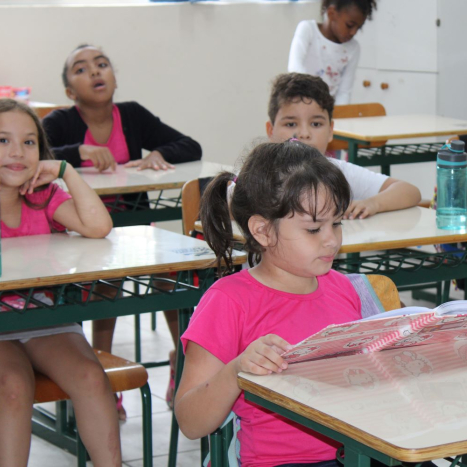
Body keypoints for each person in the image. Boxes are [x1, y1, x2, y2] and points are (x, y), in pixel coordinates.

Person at [174, 140, 362, 467]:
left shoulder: (342, 287)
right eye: (314, 229)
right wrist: (237, 370)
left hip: (357, 452)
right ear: (262, 230)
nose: (331, 240)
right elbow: (190, 422)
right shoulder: (228, 301)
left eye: (337, 223)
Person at [43, 44, 203, 413]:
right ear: (69, 91)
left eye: (102, 64)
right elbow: (36, 155)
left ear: (114, 78)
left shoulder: (131, 114)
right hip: (79, 234)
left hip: (134, 231)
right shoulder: (60, 121)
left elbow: (189, 145)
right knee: (106, 283)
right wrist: (78, 152)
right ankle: (102, 375)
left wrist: (160, 154)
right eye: (81, 69)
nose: (95, 72)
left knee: (171, 272)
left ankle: (184, 363)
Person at [0, 99, 120, 466]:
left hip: (42, 316)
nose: (17, 152)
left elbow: (98, 226)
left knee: (90, 376)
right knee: (13, 388)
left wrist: (67, 171)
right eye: (2, 140)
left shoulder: (43, 195)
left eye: (29, 142)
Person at [266, 72, 420, 219]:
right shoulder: (261, 174)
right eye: (291, 124)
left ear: (330, 131)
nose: (304, 133)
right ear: (270, 131)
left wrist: (373, 203)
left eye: (316, 124)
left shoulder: (339, 172)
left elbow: (409, 191)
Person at [288, 0, 377, 105]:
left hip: (328, 110)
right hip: (301, 103)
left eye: (359, 27)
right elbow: (295, 69)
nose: (354, 32)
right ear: (331, 13)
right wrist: (312, 105)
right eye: (349, 25)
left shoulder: (353, 48)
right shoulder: (308, 30)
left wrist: (336, 113)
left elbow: (344, 92)